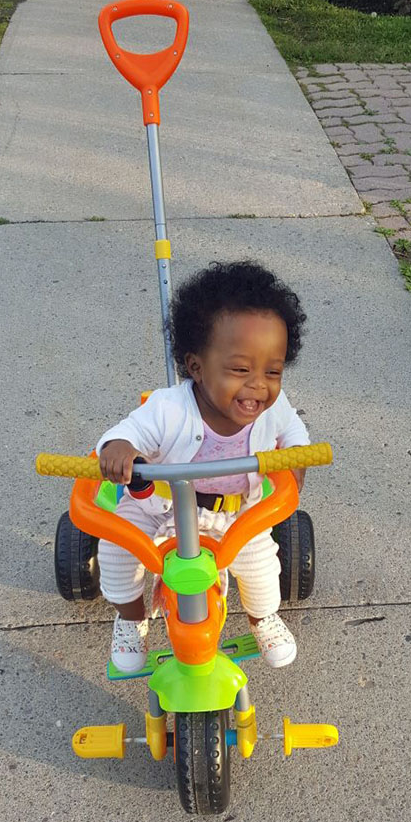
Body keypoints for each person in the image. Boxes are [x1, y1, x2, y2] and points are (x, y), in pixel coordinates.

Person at [97, 260, 309, 673]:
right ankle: (131, 619)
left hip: (236, 512)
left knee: (262, 567)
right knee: (117, 552)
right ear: (196, 366)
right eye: (240, 370)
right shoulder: (168, 408)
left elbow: (294, 433)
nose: (258, 385)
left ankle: (262, 618)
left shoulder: (273, 408)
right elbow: (127, 432)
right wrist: (119, 447)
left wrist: (296, 461)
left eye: (273, 371)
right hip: (157, 507)